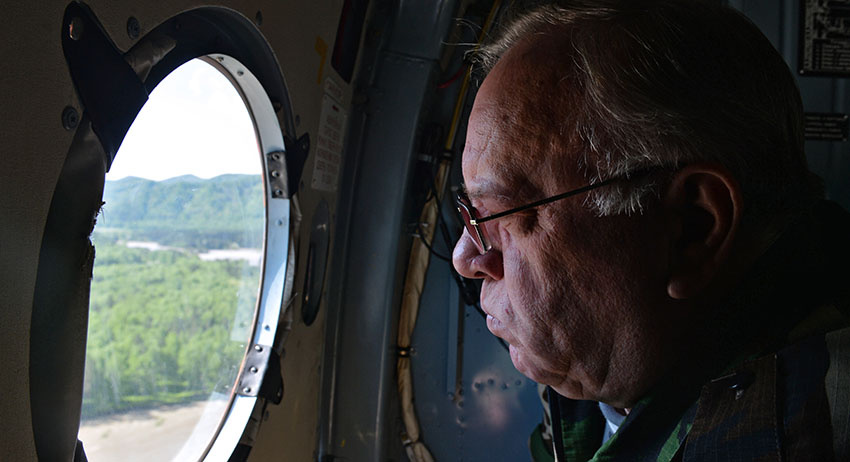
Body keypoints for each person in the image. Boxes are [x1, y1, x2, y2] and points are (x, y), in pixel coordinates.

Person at [450, 1, 850, 460]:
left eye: (499, 214)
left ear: (691, 228)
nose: (465, 258)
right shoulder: (613, 352)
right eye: (470, 213)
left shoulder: (796, 439)